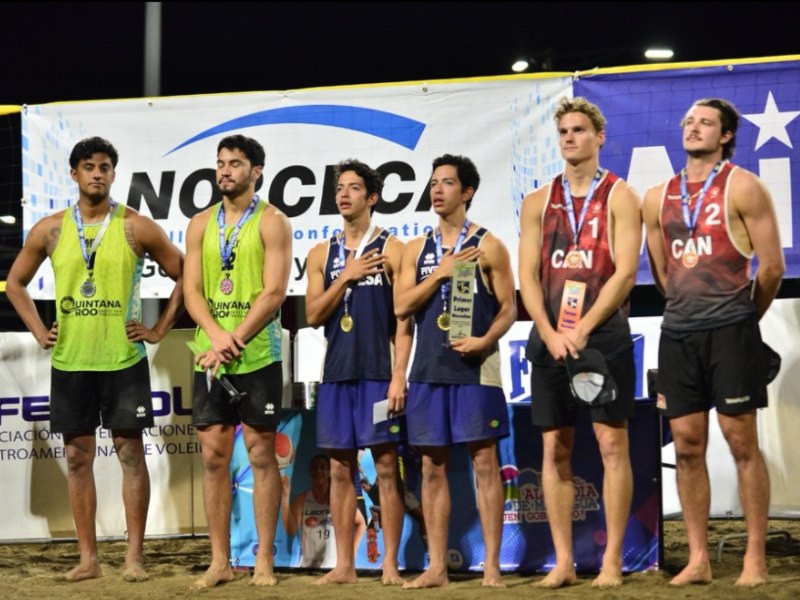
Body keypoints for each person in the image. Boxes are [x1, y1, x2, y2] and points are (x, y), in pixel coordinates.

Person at [6, 136, 184, 582]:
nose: (97, 173)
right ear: (74, 174)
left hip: (123, 359)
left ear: (113, 174)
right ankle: (88, 559)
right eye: (89, 166)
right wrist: (36, 329)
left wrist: (159, 329)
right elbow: (15, 284)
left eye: (105, 166)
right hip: (72, 362)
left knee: (129, 455)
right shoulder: (49, 229)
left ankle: (134, 557)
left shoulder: (136, 226)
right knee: (78, 458)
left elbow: (185, 274)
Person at [642, 98, 784, 587]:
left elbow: (771, 269)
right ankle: (698, 559)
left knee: (742, 442)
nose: (693, 128)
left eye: (705, 122)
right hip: (678, 333)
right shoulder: (656, 196)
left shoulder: (743, 186)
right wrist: (692, 309)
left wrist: (743, 318)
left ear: (725, 135)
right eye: (687, 121)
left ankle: (755, 559)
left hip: (731, 331)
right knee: (686, 444)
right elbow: (662, 274)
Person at [517, 97, 641, 588]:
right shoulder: (537, 201)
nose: (570, 138)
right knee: (555, 451)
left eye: (579, 130)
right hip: (549, 334)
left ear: (599, 137)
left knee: (612, 445)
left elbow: (626, 271)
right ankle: (564, 562)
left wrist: (584, 327)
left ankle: (611, 560)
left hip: (601, 333)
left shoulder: (620, 195)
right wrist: (548, 332)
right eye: (564, 131)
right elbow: (528, 275)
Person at [395, 154, 516, 588]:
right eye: (433, 183)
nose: (437, 190)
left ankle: (493, 567)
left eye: (447, 183)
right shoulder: (415, 249)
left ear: (467, 192)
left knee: (485, 463)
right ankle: (437, 567)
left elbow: (509, 309)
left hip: (474, 372)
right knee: (430, 467)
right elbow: (401, 307)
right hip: (427, 373)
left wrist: (485, 341)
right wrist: (441, 273)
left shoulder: (489, 246)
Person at [184, 134, 292, 588]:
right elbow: (191, 290)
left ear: (256, 171)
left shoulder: (272, 221)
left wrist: (234, 339)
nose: (225, 170)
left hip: (258, 355)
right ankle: (219, 561)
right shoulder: (199, 224)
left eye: (235, 163)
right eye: (220, 163)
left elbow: (274, 292)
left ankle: (263, 559)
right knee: (212, 458)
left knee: (262, 455)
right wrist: (216, 336)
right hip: (209, 354)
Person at [304, 159, 412, 585]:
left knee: (386, 467)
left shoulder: (393, 249)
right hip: (337, 376)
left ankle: (389, 563)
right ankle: (345, 565)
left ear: (372, 198)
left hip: (377, 375)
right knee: (339, 469)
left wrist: (398, 376)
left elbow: (404, 321)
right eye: (339, 189)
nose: (343, 195)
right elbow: (312, 314)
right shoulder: (320, 254)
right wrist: (345, 277)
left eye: (353, 188)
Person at [280, 454, 367, 569]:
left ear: (329, 472)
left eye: (323, 468)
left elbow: (361, 523)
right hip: (307, 567)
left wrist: (352, 552)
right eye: (315, 468)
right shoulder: (303, 499)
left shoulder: (339, 499)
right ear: (310, 472)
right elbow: (291, 530)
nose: (318, 471)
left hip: (335, 568)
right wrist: (285, 497)